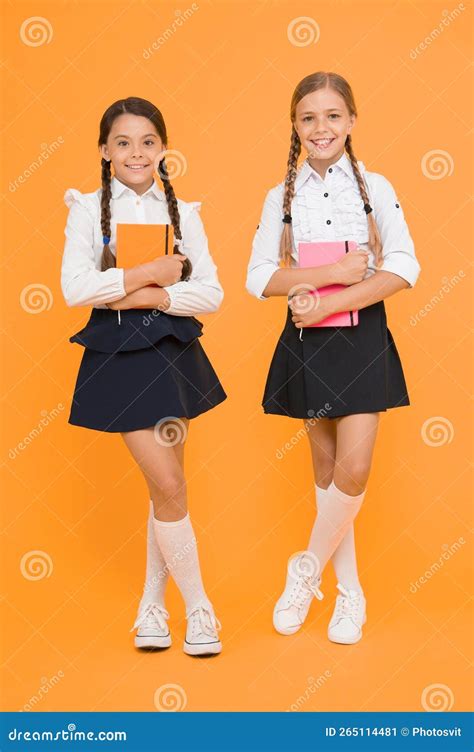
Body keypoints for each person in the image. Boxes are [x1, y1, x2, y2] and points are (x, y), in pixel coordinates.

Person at [246, 72, 421, 644]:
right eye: (308, 118)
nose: (321, 128)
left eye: (333, 116)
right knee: (326, 477)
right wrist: (328, 275)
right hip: (307, 343)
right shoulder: (281, 196)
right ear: (295, 126)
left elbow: (404, 267)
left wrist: (339, 298)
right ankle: (349, 596)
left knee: (354, 470)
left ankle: (305, 571)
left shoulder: (376, 185)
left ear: (352, 121)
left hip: (363, 337)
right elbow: (259, 278)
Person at [61, 97, 226, 656]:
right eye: (124, 143)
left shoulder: (184, 211)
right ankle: (201, 608)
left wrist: (150, 293)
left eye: (148, 141)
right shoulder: (86, 208)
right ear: (106, 151)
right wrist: (146, 272)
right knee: (172, 485)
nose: (137, 152)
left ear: (163, 148)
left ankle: (152, 608)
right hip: (119, 359)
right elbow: (75, 288)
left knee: (165, 488)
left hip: (173, 354)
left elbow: (211, 292)